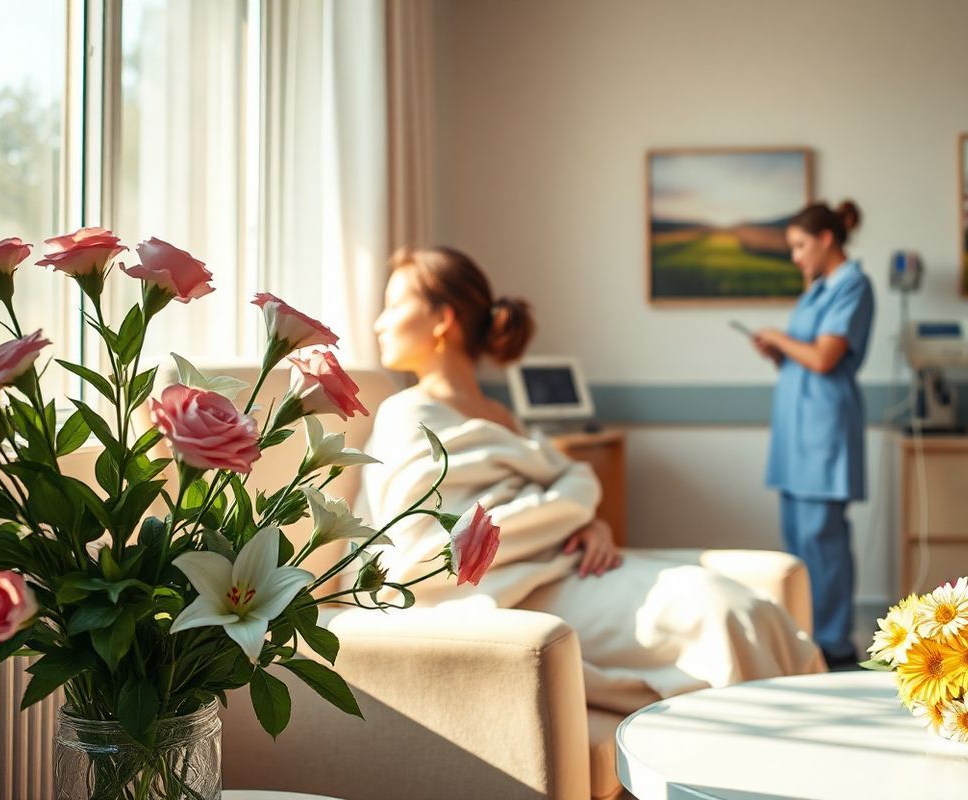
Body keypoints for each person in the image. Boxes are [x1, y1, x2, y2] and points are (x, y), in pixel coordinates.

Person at [357, 245, 824, 713]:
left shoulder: (500, 415)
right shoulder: (405, 413)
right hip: (511, 590)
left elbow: (564, 484)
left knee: (736, 604)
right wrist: (564, 518)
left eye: (393, 304)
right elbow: (423, 549)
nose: (379, 321)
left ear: (442, 318)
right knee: (718, 614)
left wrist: (585, 524)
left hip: (568, 568)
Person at [752, 200, 874, 669]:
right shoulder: (819, 289)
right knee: (798, 542)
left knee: (823, 539)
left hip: (823, 430)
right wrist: (779, 352)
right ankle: (806, 642)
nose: (796, 257)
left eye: (801, 246)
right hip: (797, 431)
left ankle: (834, 645)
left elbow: (824, 359)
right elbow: (808, 356)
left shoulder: (853, 285)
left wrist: (778, 336)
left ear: (827, 239)